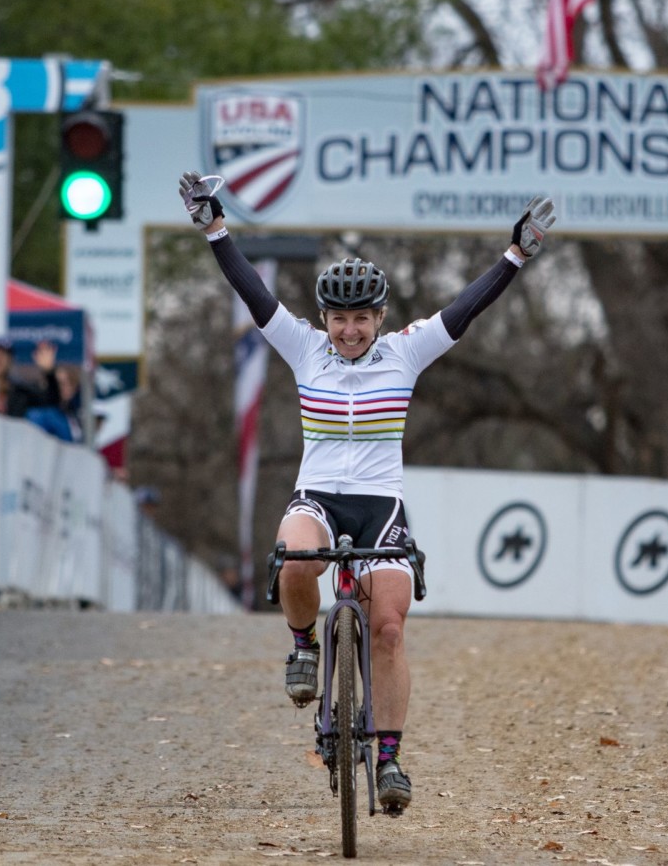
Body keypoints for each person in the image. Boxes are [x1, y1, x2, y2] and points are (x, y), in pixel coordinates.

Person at [177, 170, 555, 814]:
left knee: (387, 629)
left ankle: (388, 759)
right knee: (293, 554)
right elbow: (252, 290)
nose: (349, 331)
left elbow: (467, 308)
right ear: (323, 318)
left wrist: (516, 254)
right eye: (339, 319)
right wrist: (216, 228)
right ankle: (303, 645)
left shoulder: (405, 353)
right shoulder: (303, 349)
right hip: (318, 499)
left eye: (360, 319)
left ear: (379, 318)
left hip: (382, 510)